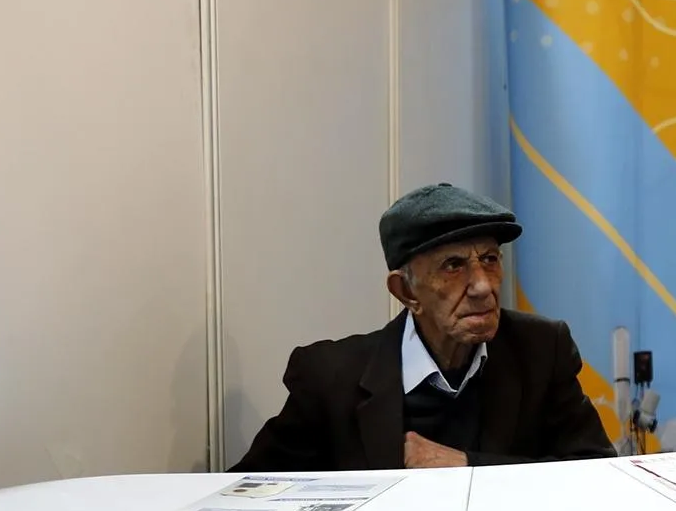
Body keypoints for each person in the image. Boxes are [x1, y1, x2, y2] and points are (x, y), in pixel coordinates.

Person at [231, 183, 615, 472]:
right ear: (406, 291)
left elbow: (595, 472)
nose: (483, 286)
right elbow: (249, 495)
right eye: (454, 266)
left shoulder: (541, 350)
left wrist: (468, 466)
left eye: (490, 259)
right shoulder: (331, 379)